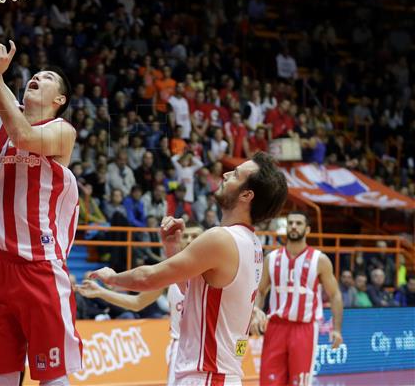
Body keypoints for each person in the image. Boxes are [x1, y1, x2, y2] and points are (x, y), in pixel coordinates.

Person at [89, 152, 288, 386]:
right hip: (219, 375)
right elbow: (192, 289)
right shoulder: (252, 243)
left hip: (207, 376)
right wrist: (172, 248)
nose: (224, 174)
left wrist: (112, 278)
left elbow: (148, 277)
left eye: (234, 174)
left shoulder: (221, 239)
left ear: (246, 194)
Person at [0, 0, 81, 386]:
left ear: (59, 100)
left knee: (52, 377)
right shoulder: (1, 112)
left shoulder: (61, 130)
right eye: (36, 73)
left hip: (37, 266)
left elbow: (25, 136)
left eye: (48, 77)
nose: (37, 75)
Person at [78, 223, 205, 385]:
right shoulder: (171, 275)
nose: (189, 240)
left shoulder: (213, 275)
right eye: (186, 236)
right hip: (180, 348)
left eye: (195, 237)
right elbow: (137, 302)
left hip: (206, 348)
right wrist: (101, 292)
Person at [252, 211, 344, 386]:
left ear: (307, 229)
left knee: (298, 382)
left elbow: (335, 295)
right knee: (269, 382)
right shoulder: (271, 258)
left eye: (298, 223)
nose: (294, 226)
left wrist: (337, 329)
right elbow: (260, 291)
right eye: (290, 223)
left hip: (304, 329)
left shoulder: (320, 260)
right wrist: (256, 309)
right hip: (275, 328)